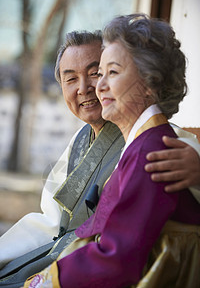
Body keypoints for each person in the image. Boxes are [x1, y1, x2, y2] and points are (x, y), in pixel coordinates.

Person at [0, 31, 200, 287]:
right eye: (70, 78)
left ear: (146, 81)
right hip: (57, 258)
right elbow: (51, 223)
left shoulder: (157, 143)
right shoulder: (81, 140)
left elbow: (120, 254)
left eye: (98, 73)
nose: (87, 88)